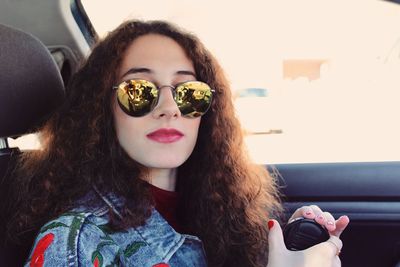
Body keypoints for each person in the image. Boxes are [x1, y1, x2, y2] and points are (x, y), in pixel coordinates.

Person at [9, 20, 349, 267]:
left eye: (189, 93)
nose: (169, 108)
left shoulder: (226, 212)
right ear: (101, 108)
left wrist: (285, 245)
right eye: (139, 91)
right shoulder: (75, 243)